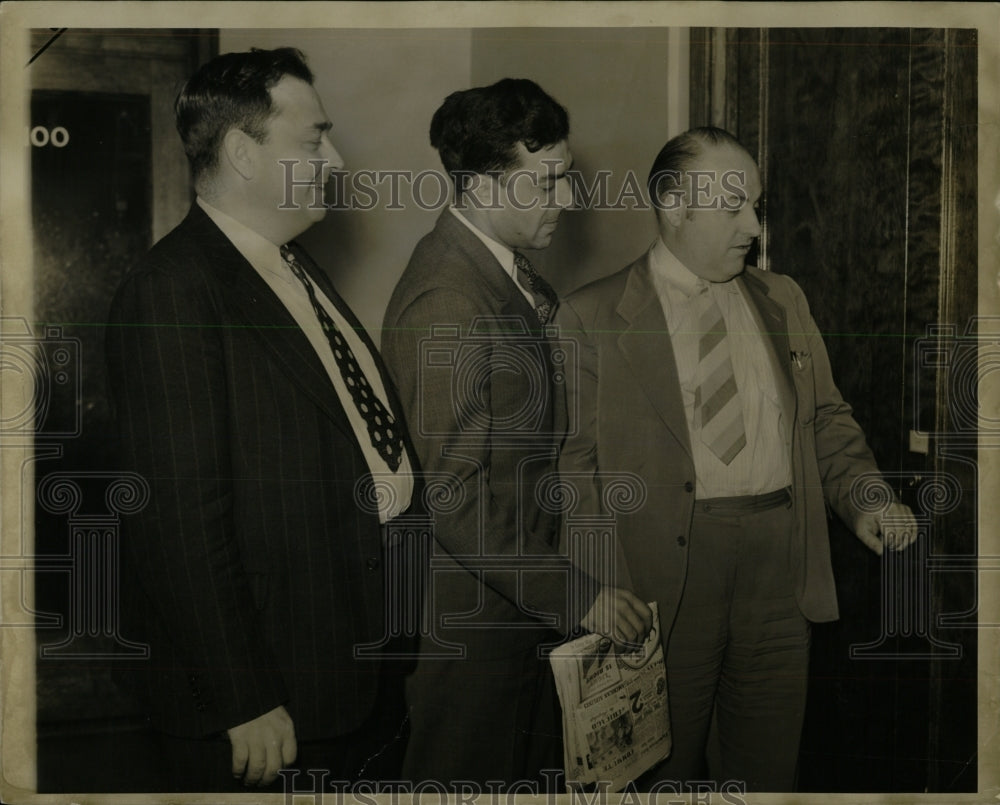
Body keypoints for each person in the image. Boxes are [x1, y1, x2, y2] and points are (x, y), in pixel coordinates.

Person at [557, 126, 918, 791]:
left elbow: (827, 420)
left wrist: (868, 496)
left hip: (780, 571)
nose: (754, 225)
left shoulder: (784, 298)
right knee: (661, 774)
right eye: (733, 208)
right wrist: (600, 588)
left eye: (756, 204)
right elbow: (575, 471)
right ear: (673, 205)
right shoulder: (591, 316)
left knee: (765, 771)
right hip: (663, 580)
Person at [106, 47, 417, 792]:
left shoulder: (292, 266)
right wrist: (242, 695)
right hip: (267, 703)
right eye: (313, 140)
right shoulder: (174, 291)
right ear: (245, 153)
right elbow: (177, 521)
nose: (335, 158)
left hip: (350, 673)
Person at [381, 78, 652, 787]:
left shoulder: (506, 275)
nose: (566, 201)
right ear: (480, 184)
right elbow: (453, 497)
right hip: (472, 626)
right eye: (548, 182)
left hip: (515, 606)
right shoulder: (449, 294)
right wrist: (578, 594)